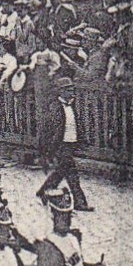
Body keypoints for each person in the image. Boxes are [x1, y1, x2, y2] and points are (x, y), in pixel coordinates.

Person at [37, 76, 92, 210]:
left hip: (70, 143)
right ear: (61, 91)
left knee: (62, 172)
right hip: (60, 145)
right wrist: (48, 148)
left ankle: (44, 192)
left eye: (72, 89)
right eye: (68, 89)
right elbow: (48, 130)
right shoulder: (54, 108)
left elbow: (76, 125)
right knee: (72, 174)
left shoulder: (72, 106)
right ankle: (80, 203)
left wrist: (81, 141)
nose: (72, 92)